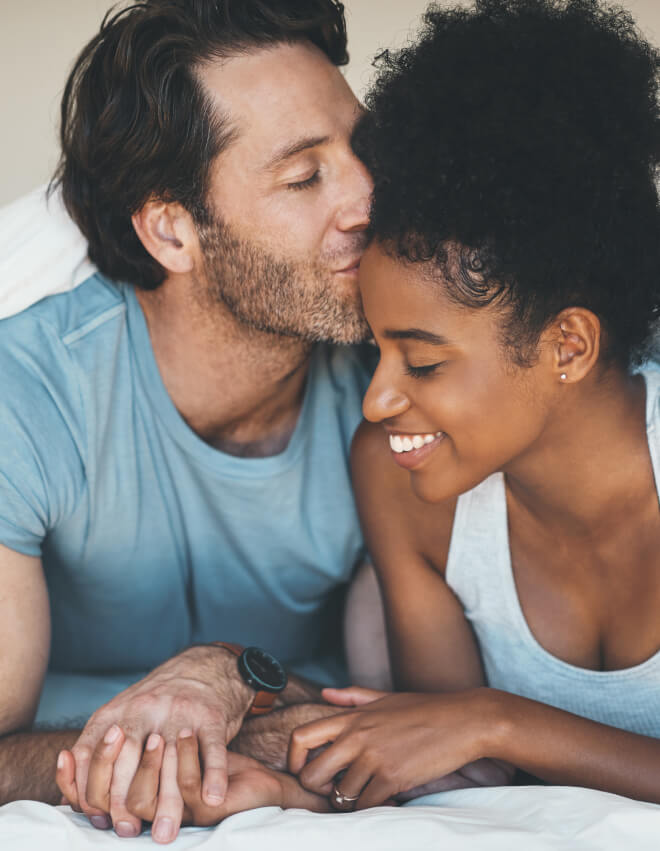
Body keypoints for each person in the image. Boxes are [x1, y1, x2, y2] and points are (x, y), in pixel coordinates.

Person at [0, 0, 383, 840]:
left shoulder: (398, 383)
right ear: (172, 229)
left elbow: (411, 710)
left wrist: (231, 674)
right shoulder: (27, 392)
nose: (367, 198)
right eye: (304, 176)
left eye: (365, 149)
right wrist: (155, 752)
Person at [286, 0, 660, 811]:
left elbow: (469, 729)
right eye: (375, 349)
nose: (380, 398)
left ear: (568, 345)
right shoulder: (398, 482)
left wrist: (498, 719)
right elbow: (459, 785)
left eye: (421, 359)